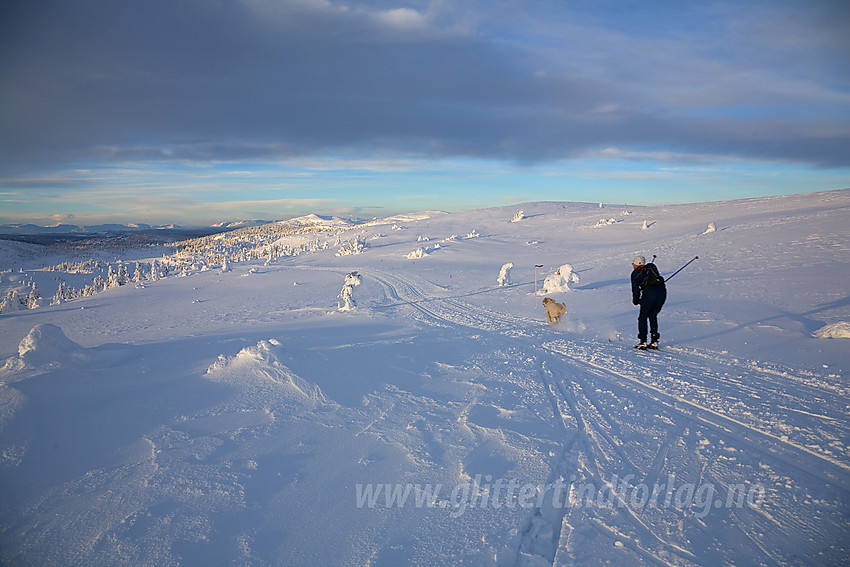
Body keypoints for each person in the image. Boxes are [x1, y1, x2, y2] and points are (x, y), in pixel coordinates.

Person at [630, 255, 666, 350]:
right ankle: (654, 341)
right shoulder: (650, 270)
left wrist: (636, 300)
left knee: (643, 317)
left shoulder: (636, 273)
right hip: (662, 293)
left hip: (649, 294)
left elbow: (635, 289)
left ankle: (643, 341)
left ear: (637, 264)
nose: (633, 266)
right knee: (652, 315)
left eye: (633, 264)